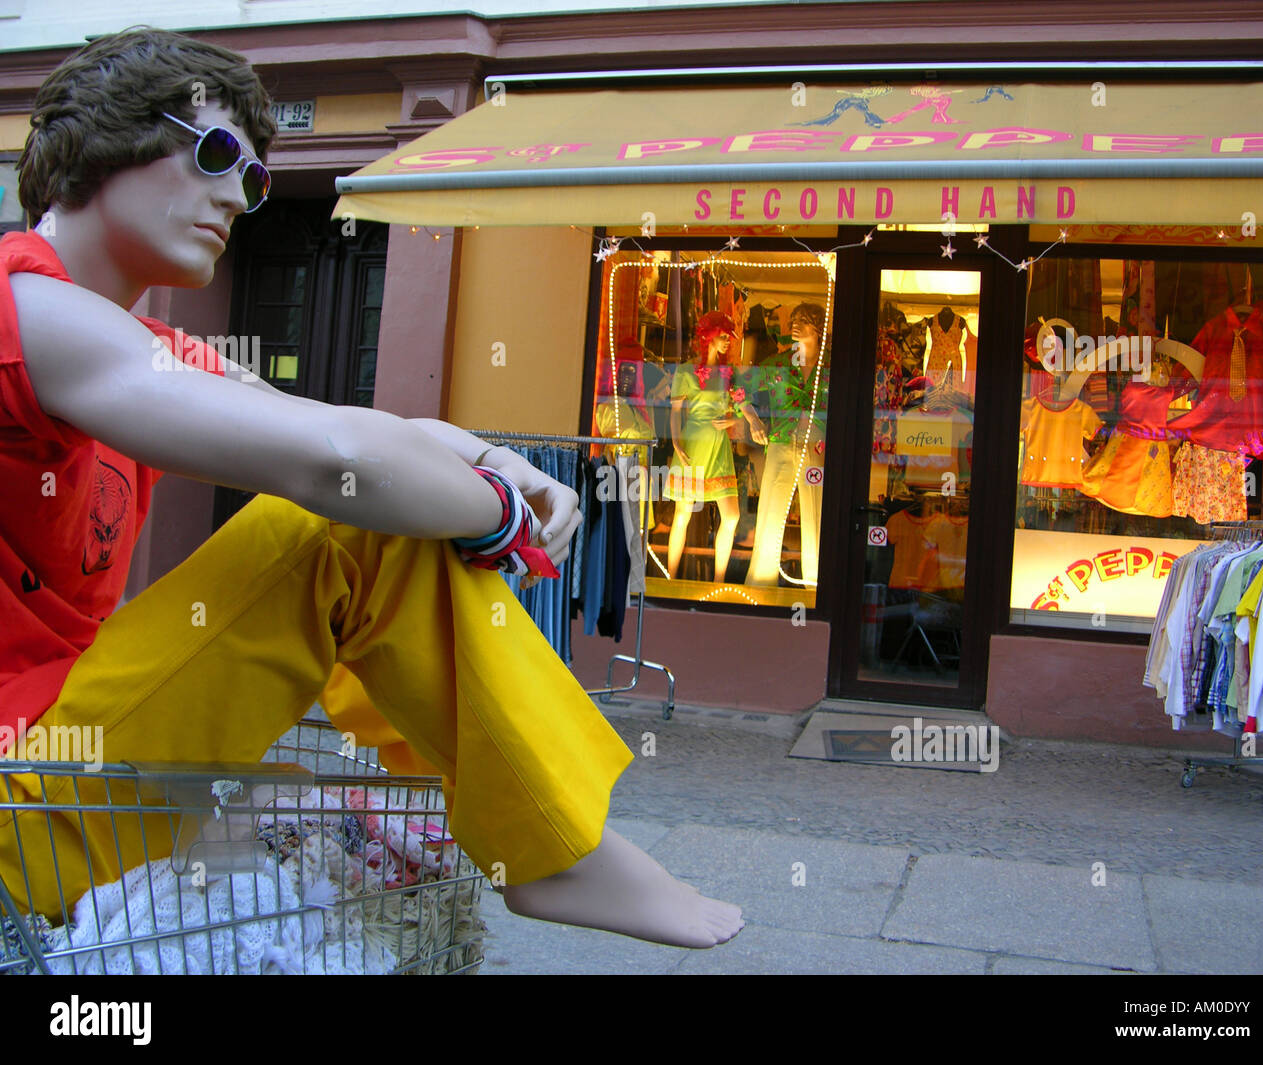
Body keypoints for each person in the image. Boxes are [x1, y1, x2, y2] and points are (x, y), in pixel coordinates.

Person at [0, 27, 743, 949]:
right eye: (217, 152)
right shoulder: (23, 310)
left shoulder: (125, 343)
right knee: (345, 526)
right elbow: (332, 461)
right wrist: (501, 512)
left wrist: (482, 453)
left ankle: (539, 834)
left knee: (369, 513)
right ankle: (549, 845)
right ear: (101, 141)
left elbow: (320, 419)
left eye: (257, 177)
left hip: (70, 782)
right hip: (20, 814)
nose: (238, 195)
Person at [662, 311, 767, 582]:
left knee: (731, 517)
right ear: (708, 337)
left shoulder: (728, 373)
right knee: (682, 515)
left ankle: (718, 582)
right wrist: (676, 442)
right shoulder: (686, 371)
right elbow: (675, 412)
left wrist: (747, 420)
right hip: (692, 445)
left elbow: (742, 402)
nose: (727, 342)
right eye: (723, 336)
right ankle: (671, 579)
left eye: (728, 337)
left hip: (719, 448)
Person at [745, 303, 830, 587]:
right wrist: (753, 420)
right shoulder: (779, 363)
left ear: (818, 329)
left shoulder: (831, 365)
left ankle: (815, 586)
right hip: (782, 441)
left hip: (818, 445)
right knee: (771, 512)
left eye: (803, 321)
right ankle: (760, 584)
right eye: (793, 320)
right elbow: (739, 388)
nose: (794, 325)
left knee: (816, 514)